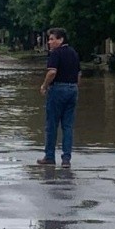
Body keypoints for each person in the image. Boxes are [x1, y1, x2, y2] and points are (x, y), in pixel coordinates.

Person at [38, 28, 81, 168]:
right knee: (68, 126)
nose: (49, 42)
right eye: (49, 39)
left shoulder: (55, 54)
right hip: (73, 89)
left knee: (52, 125)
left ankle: (50, 156)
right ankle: (66, 159)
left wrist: (44, 86)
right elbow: (79, 74)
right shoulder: (74, 53)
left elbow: (52, 72)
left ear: (61, 39)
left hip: (58, 89)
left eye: (52, 39)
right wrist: (74, 87)